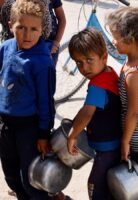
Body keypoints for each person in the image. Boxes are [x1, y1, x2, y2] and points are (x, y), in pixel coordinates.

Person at [0, 0, 56, 199]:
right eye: (21, 27)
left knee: (31, 180)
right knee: (11, 175)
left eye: (34, 29)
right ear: (10, 25)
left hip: (29, 130)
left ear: (42, 30)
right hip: (6, 126)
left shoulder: (42, 62)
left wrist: (43, 133)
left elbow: (46, 102)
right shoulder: (5, 47)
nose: (27, 34)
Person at [105, 7, 138, 200]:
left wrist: (125, 141)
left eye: (116, 37)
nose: (113, 41)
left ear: (131, 40)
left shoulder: (134, 76)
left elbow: (133, 113)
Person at [66, 27, 122, 200]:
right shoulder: (109, 72)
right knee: (110, 185)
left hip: (107, 147)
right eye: (79, 62)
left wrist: (72, 135)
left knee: (95, 186)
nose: (85, 67)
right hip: (115, 142)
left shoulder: (98, 85)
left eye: (89, 60)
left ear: (104, 56)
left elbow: (87, 113)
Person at [0, 0, 66, 65]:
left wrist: (55, 42)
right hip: (17, 52)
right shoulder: (10, 6)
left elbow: (61, 18)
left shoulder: (44, 10)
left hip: (48, 48)